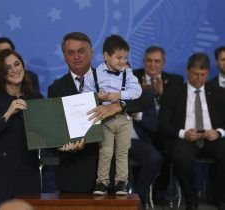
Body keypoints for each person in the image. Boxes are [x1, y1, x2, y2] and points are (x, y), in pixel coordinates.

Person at [48, 32, 149, 193]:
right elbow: (54, 130)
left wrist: (118, 105)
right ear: (64, 56)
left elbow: (145, 100)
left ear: (92, 52)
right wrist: (66, 145)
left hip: (113, 173)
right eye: (70, 52)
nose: (76, 57)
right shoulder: (56, 89)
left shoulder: (116, 73)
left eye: (81, 51)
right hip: (75, 172)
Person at [159, 52, 225, 210]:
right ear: (187, 71)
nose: (199, 78)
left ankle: (219, 197)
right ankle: (191, 199)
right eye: (195, 74)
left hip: (212, 138)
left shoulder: (219, 92)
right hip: (185, 139)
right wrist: (183, 133)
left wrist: (219, 132)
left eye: (203, 74)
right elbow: (162, 124)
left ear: (208, 73)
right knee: (180, 155)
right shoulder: (173, 92)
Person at [0, 49, 42, 210]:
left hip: (28, 171)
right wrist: (8, 113)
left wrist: (65, 145)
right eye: (8, 68)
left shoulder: (36, 98)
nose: (14, 70)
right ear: (1, 73)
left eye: (17, 64)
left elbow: (47, 134)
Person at [82, 34, 141, 195]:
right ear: (106, 56)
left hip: (124, 120)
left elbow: (137, 91)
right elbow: (84, 93)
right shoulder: (93, 74)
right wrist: (96, 96)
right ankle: (102, 182)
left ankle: (122, 182)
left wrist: (119, 96)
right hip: (105, 120)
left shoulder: (127, 73)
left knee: (122, 152)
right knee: (106, 151)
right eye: (119, 58)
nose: (123, 62)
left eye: (125, 58)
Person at [133, 45, 184, 202]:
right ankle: (138, 193)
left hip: (164, 130)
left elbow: (178, 110)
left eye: (157, 61)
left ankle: (160, 190)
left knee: (170, 150)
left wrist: (162, 95)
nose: (152, 65)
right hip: (141, 129)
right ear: (143, 61)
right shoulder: (133, 78)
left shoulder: (175, 81)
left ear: (163, 63)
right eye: (149, 61)